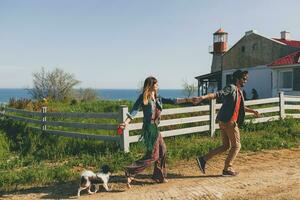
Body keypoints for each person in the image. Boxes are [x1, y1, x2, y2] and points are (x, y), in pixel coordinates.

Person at [118, 76, 193, 188]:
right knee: (153, 155)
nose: (158, 86)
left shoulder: (158, 98)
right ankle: (130, 171)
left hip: (155, 128)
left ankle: (158, 175)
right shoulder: (143, 98)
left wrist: (189, 100)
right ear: (151, 85)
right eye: (156, 84)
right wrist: (125, 123)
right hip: (149, 128)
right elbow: (133, 111)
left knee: (163, 150)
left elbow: (173, 100)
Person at [194, 70, 260, 176]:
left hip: (223, 121)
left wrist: (253, 111)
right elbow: (218, 94)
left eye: (246, 79)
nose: (246, 81)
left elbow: (241, 108)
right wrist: (203, 97)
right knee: (237, 146)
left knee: (225, 146)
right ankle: (227, 168)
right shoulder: (231, 87)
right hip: (229, 122)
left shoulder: (239, 91)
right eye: (244, 79)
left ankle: (203, 159)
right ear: (238, 79)